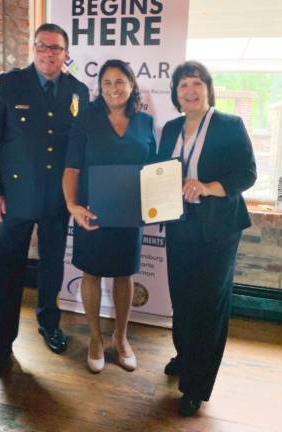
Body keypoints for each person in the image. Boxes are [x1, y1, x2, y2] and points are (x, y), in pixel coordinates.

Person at [0, 23, 89, 385]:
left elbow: (79, 150)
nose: (48, 53)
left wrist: (78, 198)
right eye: (42, 46)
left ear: (65, 52)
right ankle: (1, 345)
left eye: (55, 48)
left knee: (52, 267)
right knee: (8, 270)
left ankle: (48, 323)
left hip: (57, 200)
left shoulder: (78, 91)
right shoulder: (8, 85)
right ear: (33, 48)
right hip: (14, 199)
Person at [158, 61, 257, 416]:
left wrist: (207, 187)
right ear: (176, 93)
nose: (190, 90)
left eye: (197, 83)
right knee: (182, 297)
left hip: (218, 226)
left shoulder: (229, 125)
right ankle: (185, 355)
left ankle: (196, 386)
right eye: (183, 85)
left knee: (208, 304)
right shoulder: (170, 128)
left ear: (208, 88)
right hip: (179, 222)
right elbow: (159, 170)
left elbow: (247, 174)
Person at [63, 59, 156, 373]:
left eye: (120, 81)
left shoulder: (145, 122)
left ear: (131, 85)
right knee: (91, 273)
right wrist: (73, 206)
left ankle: (121, 336)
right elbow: (71, 168)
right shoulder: (86, 120)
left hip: (130, 213)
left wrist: (160, 202)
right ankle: (94, 338)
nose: (114, 88)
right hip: (93, 210)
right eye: (107, 83)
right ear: (99, 89)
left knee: (124, 274)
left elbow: (155, 169)